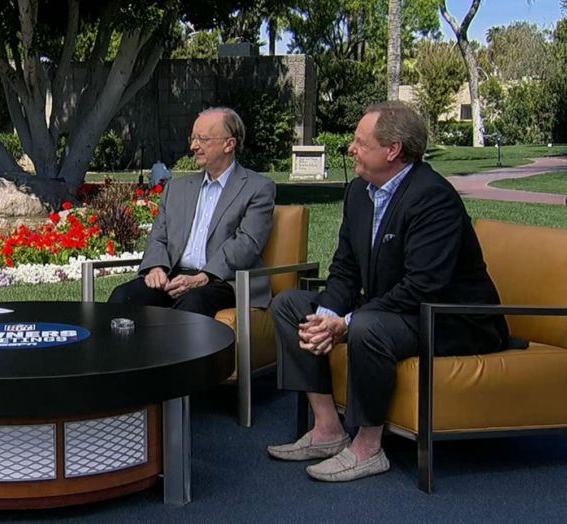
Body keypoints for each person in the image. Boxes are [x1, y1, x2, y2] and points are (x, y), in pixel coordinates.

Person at [266, 101, 518, 482]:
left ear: (393, 149)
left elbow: (423, 286)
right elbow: (346, 269)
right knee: (289, 305)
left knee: (367, 325)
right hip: (396, 309)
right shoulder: (357, 192)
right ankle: (328, 429)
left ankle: (368, 448)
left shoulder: (433, 197)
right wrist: (329, 317)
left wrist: (348, 324)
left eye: (359, 141)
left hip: (452, 318)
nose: (350, 148)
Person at [107, 107, 276, 317]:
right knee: (124, 296)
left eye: (202, 139)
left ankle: (169, 351)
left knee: (193, 303)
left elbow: (246, 244)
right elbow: (159, 237)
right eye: (193, 138)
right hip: (173, 276)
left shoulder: (257, 188)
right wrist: (156, 268)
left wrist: (203, 276)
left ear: (229, 144)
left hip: (223, 280)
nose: (193, 146)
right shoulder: (177, 188)